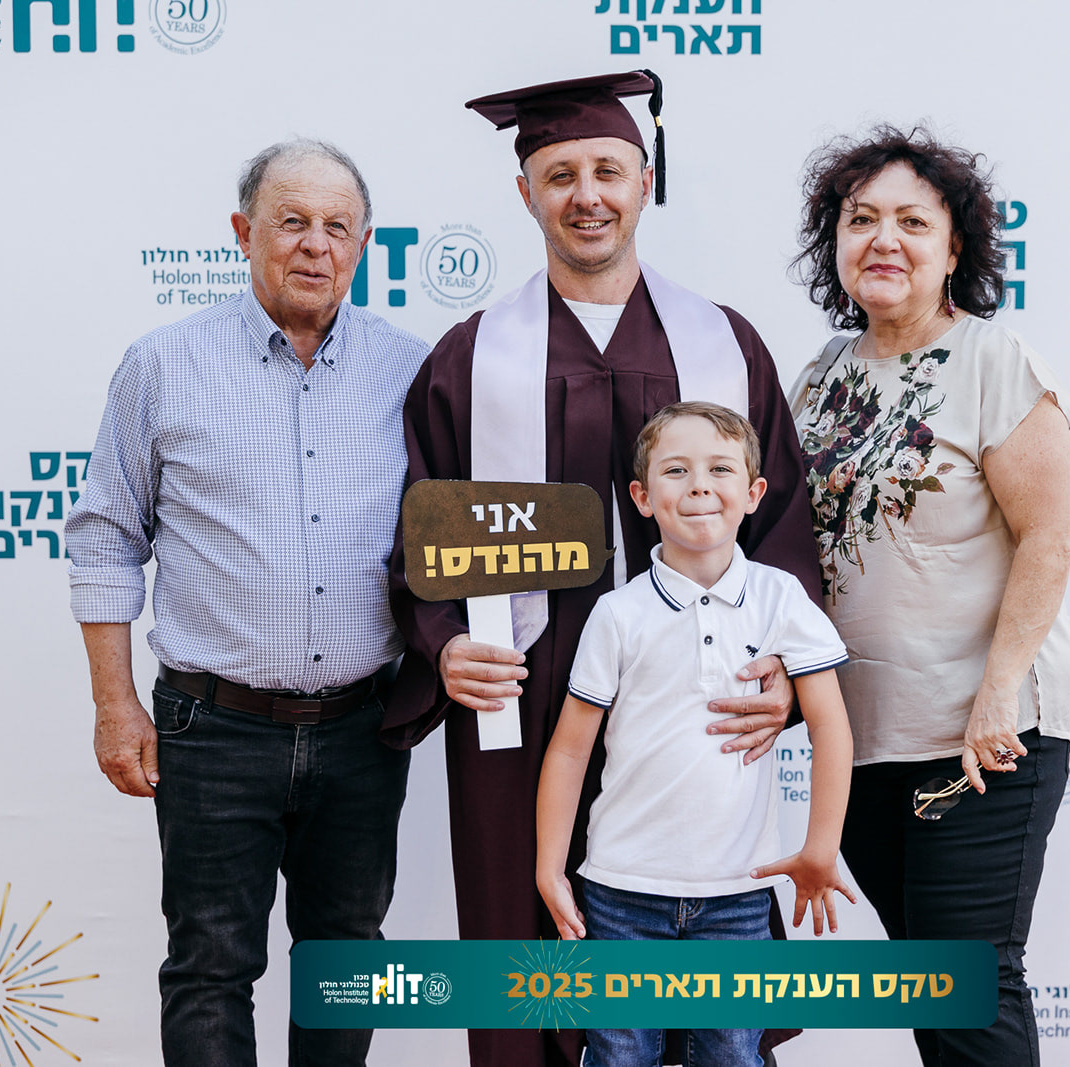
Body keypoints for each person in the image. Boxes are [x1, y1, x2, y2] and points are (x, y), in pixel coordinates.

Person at [386, 71, 820, 1067]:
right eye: (560, 174)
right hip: (525, 683)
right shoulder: (472, 356)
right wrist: (445, 645)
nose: (587, 195)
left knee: (703, 948)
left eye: (608, 171)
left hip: (692, 694)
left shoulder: (722, 343)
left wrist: (784, 671)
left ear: (644, 182)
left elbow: (784, 519)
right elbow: (417, 533)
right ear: (526, 193)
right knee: (522, 926)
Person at [64, 139, 429, 1067]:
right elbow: (105, 536)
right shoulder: (162, 364)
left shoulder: (411, 369)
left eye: (337, 227)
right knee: (210, 967)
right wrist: (115, 704)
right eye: (291, 221)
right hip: (212, 729)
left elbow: (446, 539)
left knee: (346, 963)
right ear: (243, 232)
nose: (316, 245)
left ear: (365, 244)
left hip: (363, 731)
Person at [788, 125, 1070, 1066]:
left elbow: (1050, 538)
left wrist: (997, 695)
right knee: (930, 983)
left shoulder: (996, 362)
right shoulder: (820, 379)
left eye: (913, 222)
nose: (884, 239)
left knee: (967, 983)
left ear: (955, 249)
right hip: (865, 738)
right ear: (835, 241)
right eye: (861, 218)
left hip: (981, 736)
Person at [537, 402, 856, 1067]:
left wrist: (821, 846)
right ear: (642, 496)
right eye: (676, 470)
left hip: (737, 896)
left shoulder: (780, 599)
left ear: (754, 492)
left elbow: (830, 726)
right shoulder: (618, 614)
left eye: (720, 469)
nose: (700, 486)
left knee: (732, 1056)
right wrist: (549, 866)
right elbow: (569, 749)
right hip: (620, 892)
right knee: (620, 1055)